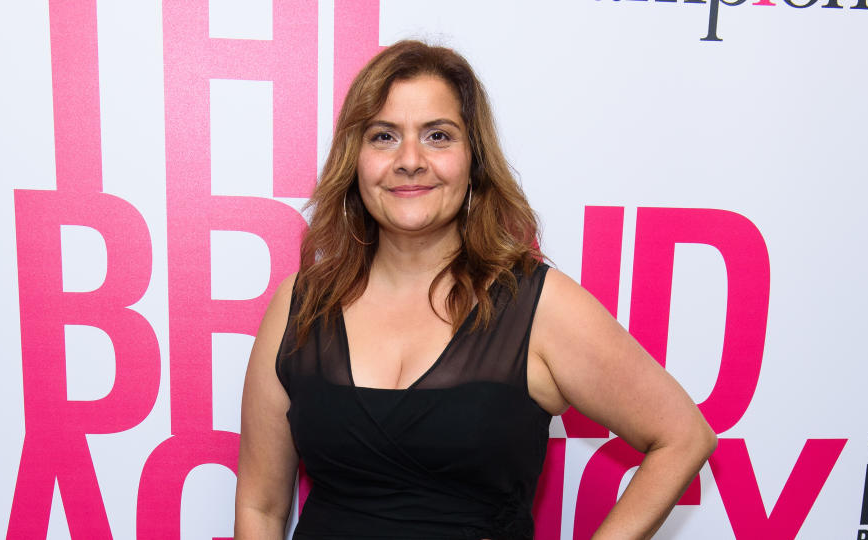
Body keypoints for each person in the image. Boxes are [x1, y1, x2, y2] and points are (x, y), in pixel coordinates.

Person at [233, 40, 716, 539]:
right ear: (355, 160)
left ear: (473, 161)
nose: (410, 160)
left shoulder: (537, 306)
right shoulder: (301, 305)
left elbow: (682, 437)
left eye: (438, 135)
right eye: (383, 136)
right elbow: (261, 507)